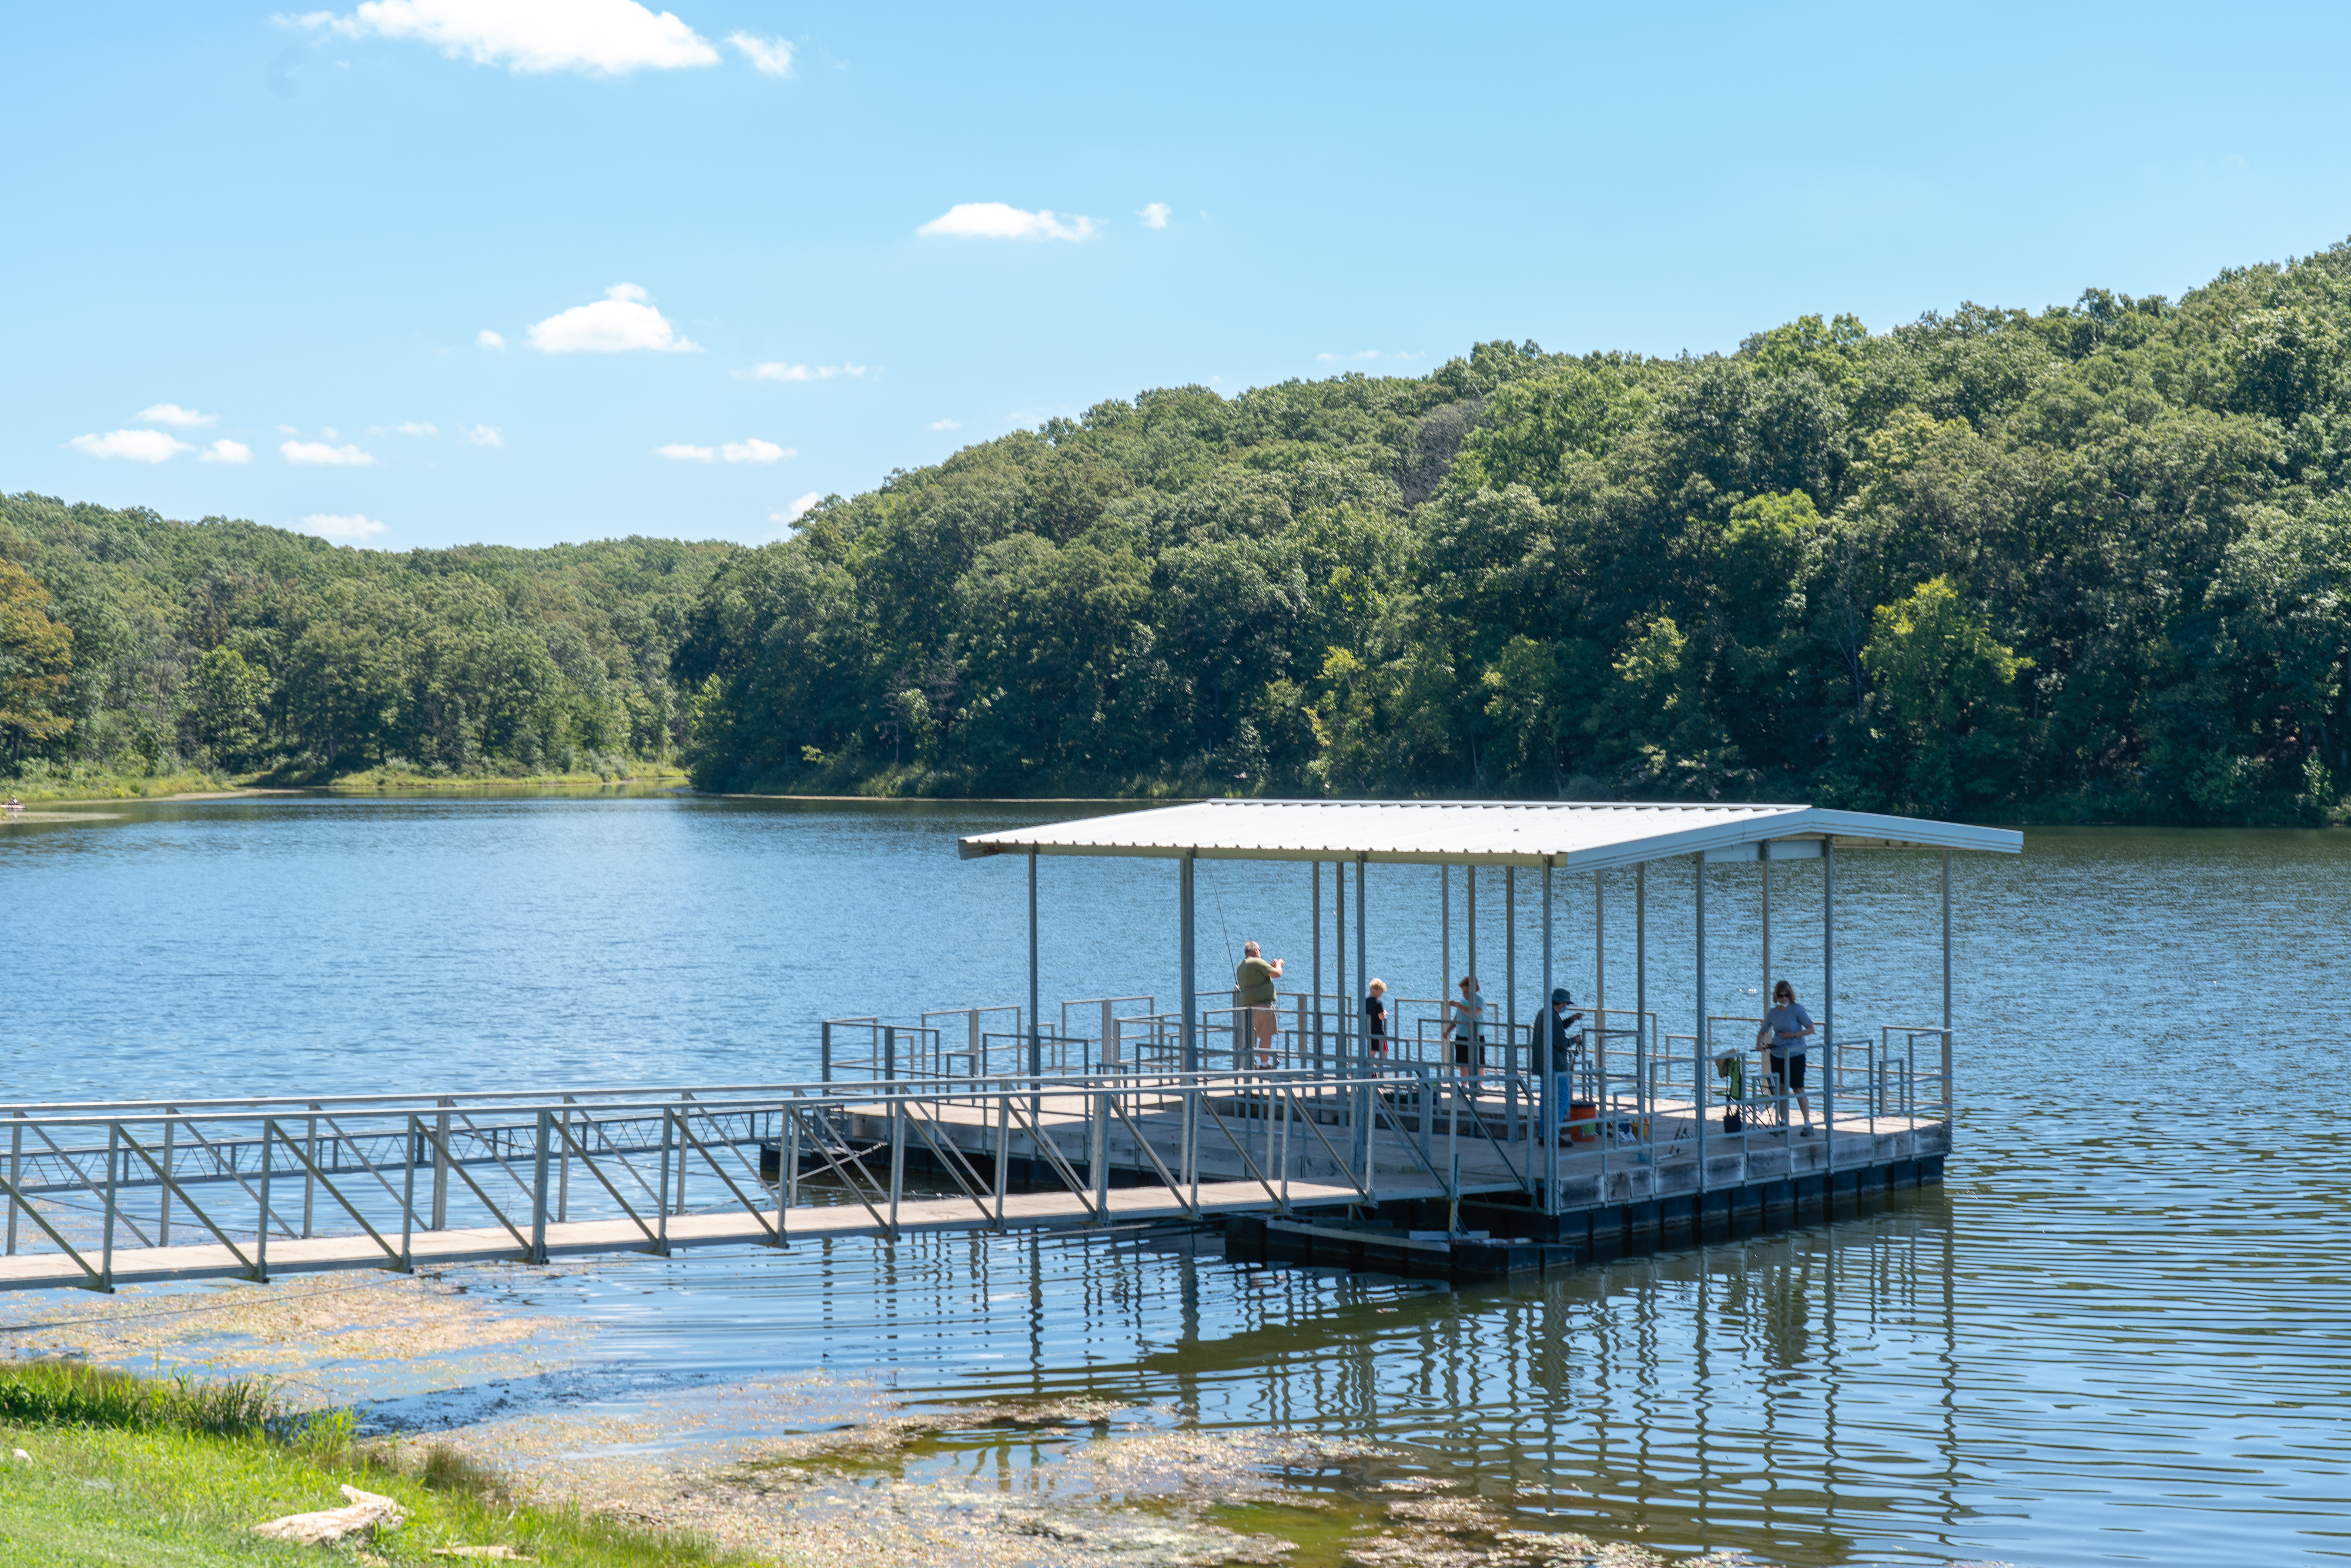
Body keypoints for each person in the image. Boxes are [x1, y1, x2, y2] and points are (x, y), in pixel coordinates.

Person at [1756, 979, 1816, 1134]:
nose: (1784, 999)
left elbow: (1811, 1029)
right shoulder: (1773, 1012)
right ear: (1776, 996)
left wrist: (1793, 1035)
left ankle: (1808, 1123)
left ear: (1791, 995)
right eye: (1781, 996)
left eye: (1787, 995)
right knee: (1781, 1089)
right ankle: (1783, 1122)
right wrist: (1759, 1044)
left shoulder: (1797, 1009)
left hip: (1796, 1054)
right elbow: (1763, 1030)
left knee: (1798, 1087)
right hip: (1777, 1054)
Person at [1234, 940, 1283, 1068]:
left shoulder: (1242, 965)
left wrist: (1269, 966)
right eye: (1260, 951)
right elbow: (1277, 974)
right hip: (1263, 1006)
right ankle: (1264, 1064)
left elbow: (1258, 976)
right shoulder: (1257, 961)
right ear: (1256, 951)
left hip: (1247, 1007)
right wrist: (1279, 964)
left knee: (1253, 1035)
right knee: (1266, 1035)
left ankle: (1250, 1063)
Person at [1446, 973, 1485, 1078]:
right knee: (1463, 1063)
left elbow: (1474, 1013)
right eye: (1463, 992)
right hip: (1461, 1037)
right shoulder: (1463, 1002)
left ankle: (1480, 1084)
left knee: (1479, 1063)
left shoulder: (1480, 1001)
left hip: (1476, 1037)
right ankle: (1464, 1084)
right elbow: (1456, 1019)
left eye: (1466, 992)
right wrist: (1448, 1031)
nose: (1464, 994)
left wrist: (1457, 1005)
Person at [1363, 979, 1388, 1058]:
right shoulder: (1378, 1002)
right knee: (1384, 1051)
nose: (1382, 995)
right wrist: (1385, 1013)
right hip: (1379, 1032)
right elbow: (1381, 1017)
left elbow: (1359, 1016)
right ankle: (1379, 1066)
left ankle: (1371, 1069)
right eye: (1382, 992)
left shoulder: (1365, 1002)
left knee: (1372, 1051)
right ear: (1378, 990)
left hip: (1369, 1031)